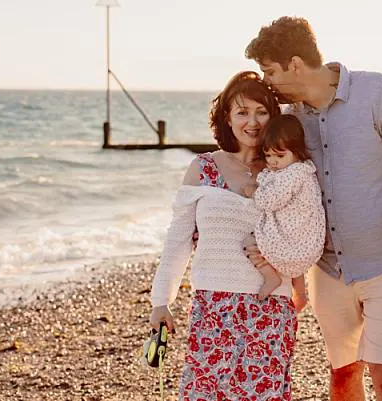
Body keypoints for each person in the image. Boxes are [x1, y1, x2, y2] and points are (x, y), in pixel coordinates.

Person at [245, 16, 382, 401]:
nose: (269, 83)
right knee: (343, 378)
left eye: (270, 72)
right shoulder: (291, 119)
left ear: (296, 65)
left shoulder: (379, 92)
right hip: (329, 271)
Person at [149, 71, 315, 401]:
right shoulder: (203, 168)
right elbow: (178, 240)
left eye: (261, 111)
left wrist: (299, 283)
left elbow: (304, 228)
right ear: (227, 117)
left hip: (270, 307)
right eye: (242, 112)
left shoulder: (285, 172)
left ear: (274, 115)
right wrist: (160, 302)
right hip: (213, 306)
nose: (252, 122)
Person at [242, 114, 324, 306]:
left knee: (250, 241)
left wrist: (254, 192)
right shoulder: (303, 170)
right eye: (268, 155)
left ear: (297, 151)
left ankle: (271, 276)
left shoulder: (292, 174)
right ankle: (298, 290)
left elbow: (270, 200)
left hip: (294, 239)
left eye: (280, 156)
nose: (273, 161)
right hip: (306, 241)